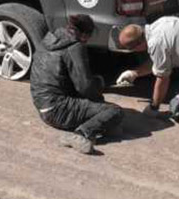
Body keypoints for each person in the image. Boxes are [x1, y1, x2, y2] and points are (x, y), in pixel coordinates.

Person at [30, 15, 124, 154]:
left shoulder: (50, 38)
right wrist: (99, 87)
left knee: (100, 107)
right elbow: (85, 87)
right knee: (114, 111)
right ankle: (81, 134)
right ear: (85, 35)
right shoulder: (75, 46)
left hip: (42, 105)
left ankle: (94, 121)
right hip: (57, 111)